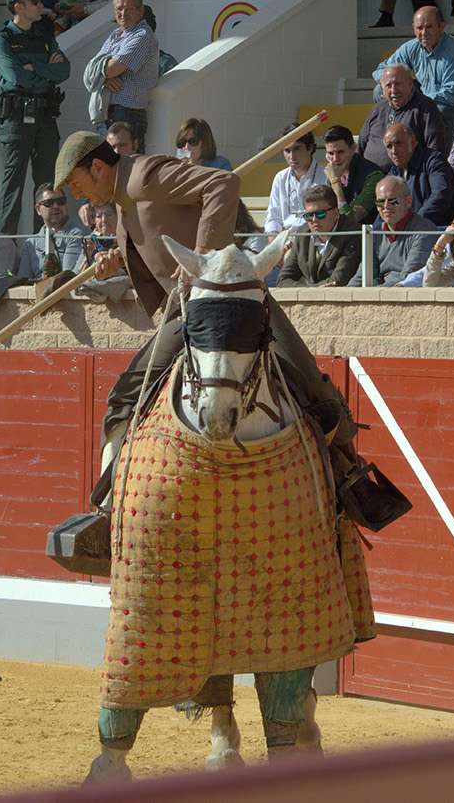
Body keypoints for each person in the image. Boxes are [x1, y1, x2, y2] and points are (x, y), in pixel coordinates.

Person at [51, 130, 407, 536]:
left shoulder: (142, 175)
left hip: (232, 298)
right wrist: (119, 259)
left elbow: (223, 183)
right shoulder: (123, 200)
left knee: (308, 379)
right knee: (129, 393)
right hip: (187, 313)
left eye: (77, 184)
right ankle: (111, 504)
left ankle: (352, 482)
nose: (78, 195)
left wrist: (203, 255)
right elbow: (158, 242)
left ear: (97, 167)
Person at [0, 0, 69, 237]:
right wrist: (44, 70)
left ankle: (46, 244)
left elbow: (64, 71)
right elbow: (14, 77)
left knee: (47, 185)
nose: (40, 6)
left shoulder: (45, 37)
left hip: (45, 117)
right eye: (34, 2)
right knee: (13, 184)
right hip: (16, 118)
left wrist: (33, 68)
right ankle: (5, 247)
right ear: (19, 7)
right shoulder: (2, 39)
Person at [373, 6, 454, 128]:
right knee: (379, 91)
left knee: (439, 112)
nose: (424, 33)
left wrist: (411, 100)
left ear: (441, 27)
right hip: (423, 100)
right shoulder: (411, 47)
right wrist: (385, 84)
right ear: (413, 28)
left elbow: (450, 97)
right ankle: (392, 133)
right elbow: (381, 69)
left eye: (429, 27)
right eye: (419, 28)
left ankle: (432, 146)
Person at [94, 0, 157, 151]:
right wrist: (104, 79)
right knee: (108, 170)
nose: (123, 13)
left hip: (128, 115)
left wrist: (102, 75)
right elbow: (91, 71)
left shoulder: (143, 36)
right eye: (119, 9)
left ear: (141, 10)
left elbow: (110, 69)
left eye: (129, 9)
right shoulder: (115, 34)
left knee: (129, 170)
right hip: (107, 113)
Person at [358, 63, 450, 173]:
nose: (394, 90)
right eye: (388, 86)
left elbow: (436, 150)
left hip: (405, 178)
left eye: (398, 84)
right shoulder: (379, 108)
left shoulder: (425, 107)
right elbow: (361, 144)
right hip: (369, 177)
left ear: (410, 83)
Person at [352, 176, 437, 287]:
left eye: (394, 201)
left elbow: (409, 279)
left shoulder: (424, 232)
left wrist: (371, 294)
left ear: (409, 201)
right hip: (379, 293)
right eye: (380, 202)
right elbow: (362, 275)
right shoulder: (375, 233)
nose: (386, 206)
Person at [276, 184, 361, 287]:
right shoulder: (302, 234)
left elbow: (338, 281)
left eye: (320, 214)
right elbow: (283, 280)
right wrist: (312, 290)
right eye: (309, 216)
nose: (314, 220)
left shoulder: (353, 233)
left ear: (336, 213)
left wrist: (307, 290)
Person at [383, 123, 454, 226]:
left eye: (398, 143)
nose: (394, 151)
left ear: (412, 143)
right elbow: (383, 206)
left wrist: (413, 224)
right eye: (389, 147)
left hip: (437, 231)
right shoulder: (394, 173)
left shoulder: (434, 161)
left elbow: (441, 196)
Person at [264, 124, 325, 237]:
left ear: (310, 148)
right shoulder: (280, 178)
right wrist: (275, 244)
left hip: (316, 239)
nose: (292, 156)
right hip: (287, 241)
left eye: (297, 149)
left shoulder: (325, 175)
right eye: (287, 150)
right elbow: (273, 218)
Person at [17, 183, 90, 277]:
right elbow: (23, 280)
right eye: (49, 203)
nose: (56, 206)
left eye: (60, 201)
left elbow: (67, 277)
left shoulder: (80, 233)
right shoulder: (30, 243)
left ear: (66, 203)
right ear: (38, 209)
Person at [323, 124, 383, 226]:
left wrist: (335, 183)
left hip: (366, 237)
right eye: (331, 154)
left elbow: (349, 221)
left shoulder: (373, 175)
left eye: (340, 152)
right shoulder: (332, 173)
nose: (335, 159)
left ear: (352, 149)